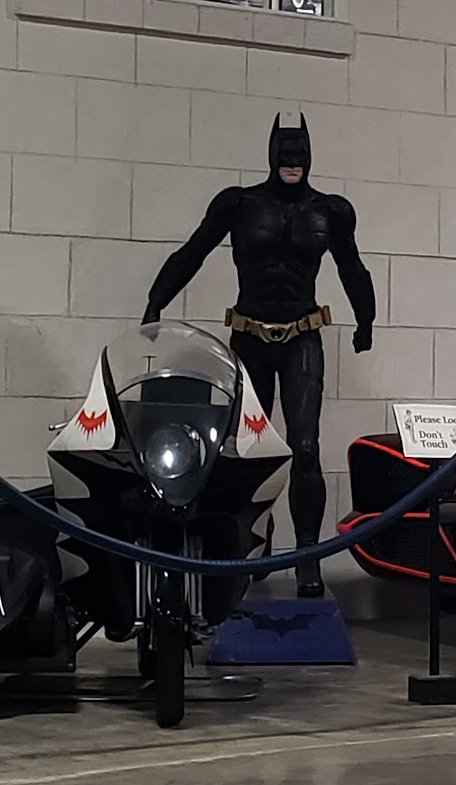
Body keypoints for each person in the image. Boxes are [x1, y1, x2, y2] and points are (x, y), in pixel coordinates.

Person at [142, 114, 375, 598]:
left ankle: (307, 556)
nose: (292, 160)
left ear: (310, 155)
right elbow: (194, 251)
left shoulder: (330, 212)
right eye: (284, 151)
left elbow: (352, 267)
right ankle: (251, 545)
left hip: (301, 340)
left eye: (299, 151)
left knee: (305, 447)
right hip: (249, 338)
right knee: (246, 449)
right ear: (270, 153)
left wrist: (365, 320)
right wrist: (155, 301)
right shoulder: (239, 204)